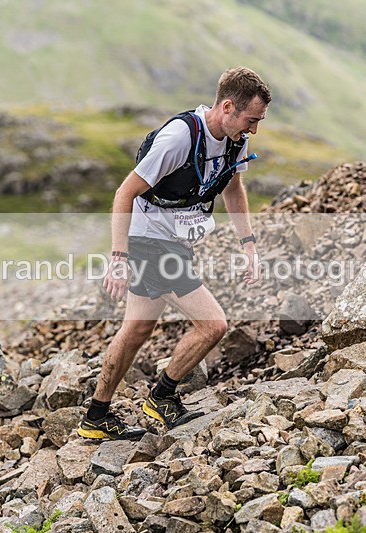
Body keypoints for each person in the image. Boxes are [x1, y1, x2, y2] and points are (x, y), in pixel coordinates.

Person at [77, 66, 272, 440]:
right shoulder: (178, 139)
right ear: (228, 106)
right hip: (148, 241)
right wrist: (119, 259)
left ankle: (96, 417)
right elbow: (124, 193)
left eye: (258, 121)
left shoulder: (235, 138)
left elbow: (233, 188)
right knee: (214, 325)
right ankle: (162, 397)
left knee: (136, 329)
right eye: (251, 120)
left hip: (176, 243)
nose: (254, 130)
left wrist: (248, 245)